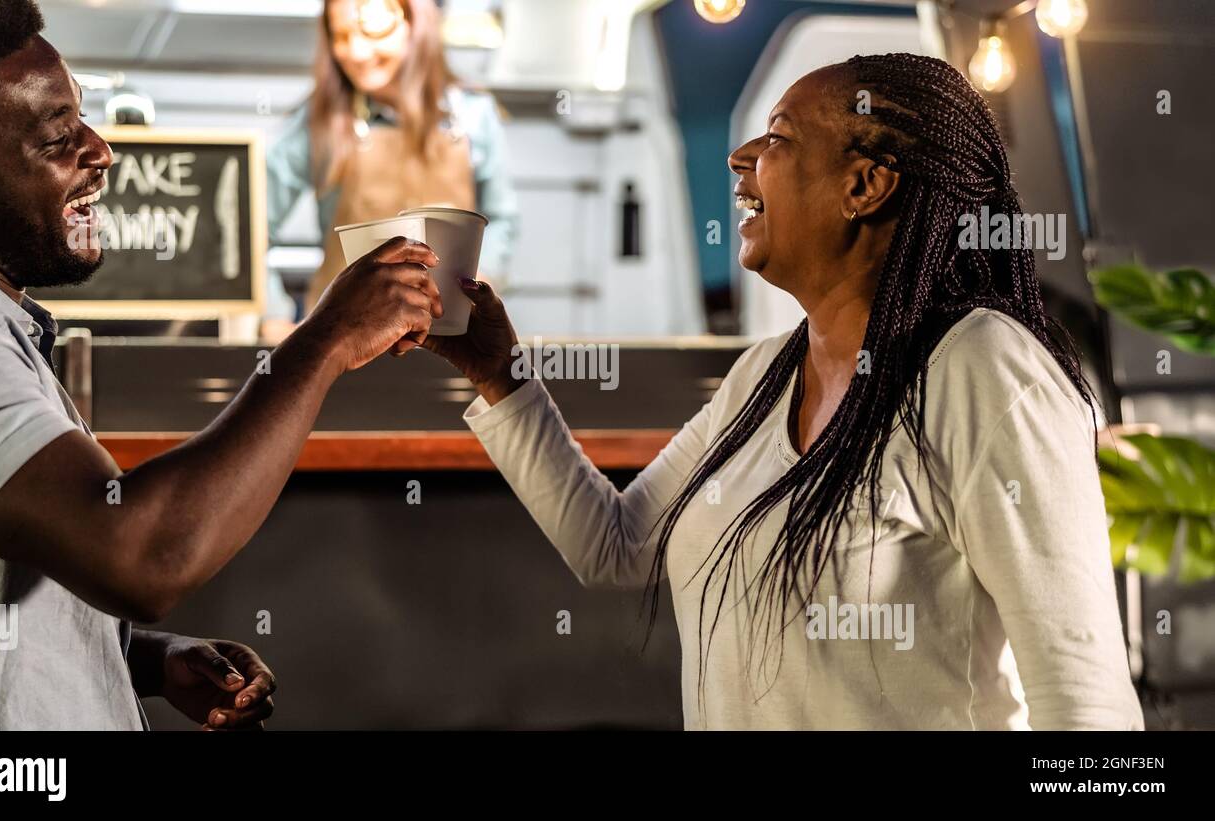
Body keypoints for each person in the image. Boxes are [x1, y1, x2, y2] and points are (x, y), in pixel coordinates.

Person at [425, 53, 1145, 729]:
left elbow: (1086, 706)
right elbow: (614, 545)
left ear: (864, 185)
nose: (741, 161)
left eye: (778, 138)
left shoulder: (982, 372)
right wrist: (500, 373)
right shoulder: (760, 378)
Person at [0, 0, 441, 730]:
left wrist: (145, 657)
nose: (100, 151)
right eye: (59, 138)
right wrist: (323, 343)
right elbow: (138, 554)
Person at [264, 0, 518, 331]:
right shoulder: (318, 121)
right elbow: (246, 228)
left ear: (418, 21)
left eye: (373, 30)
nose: (355, 51)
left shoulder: (474, 116)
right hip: (341, 340)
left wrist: (481, 279)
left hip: (449, 340)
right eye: (340, 35)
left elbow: (502, 221)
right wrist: (273, 316)